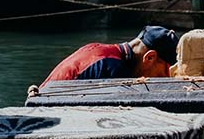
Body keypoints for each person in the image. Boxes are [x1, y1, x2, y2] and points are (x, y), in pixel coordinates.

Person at [33, 25, 179, 92]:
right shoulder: (114, 69)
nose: (157, 82)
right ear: (150, 58)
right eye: (160, 75)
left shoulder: (97, 49)